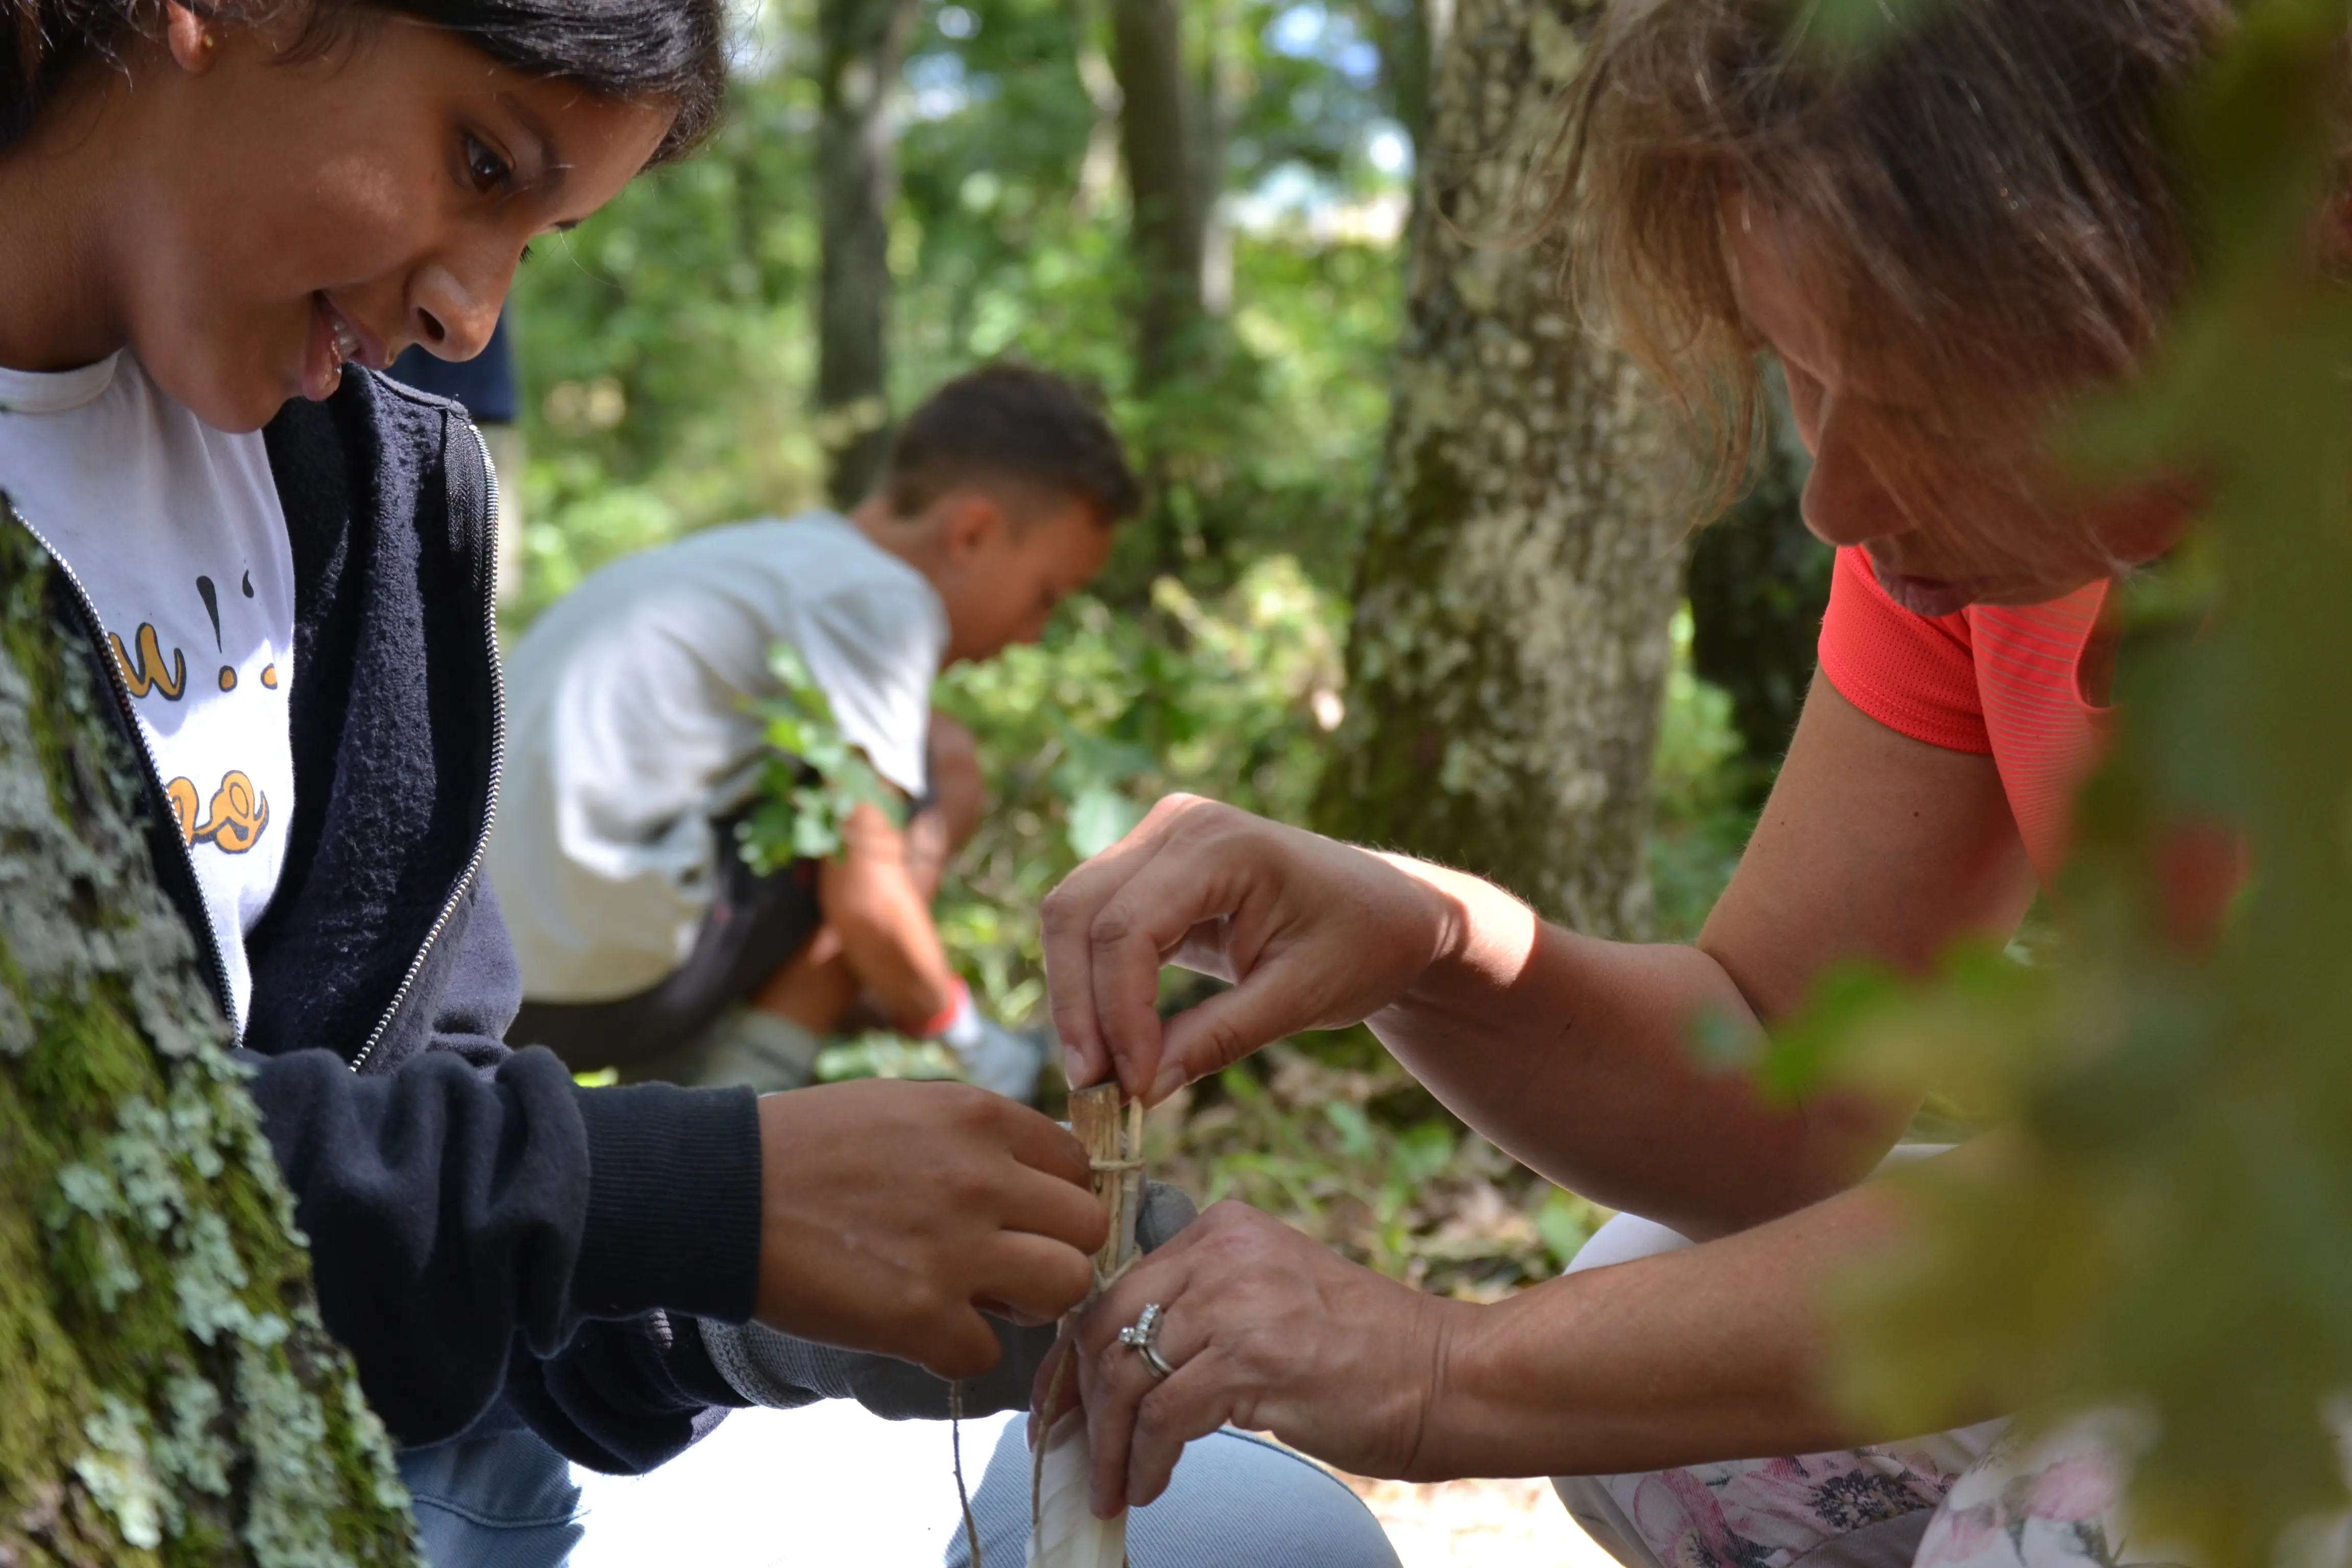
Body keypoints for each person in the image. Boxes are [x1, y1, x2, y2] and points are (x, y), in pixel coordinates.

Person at [961, 3, 2257, 1566]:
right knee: (1667, 1395)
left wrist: (1445, 1369)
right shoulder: (1974, 555)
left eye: (1921, 403)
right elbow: (1776, 1071)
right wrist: (1425, 949)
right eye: (1800, 373)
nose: (1838, 500)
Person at [0, 3, 1113, 1565]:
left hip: (354, 1438)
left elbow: (425, 1150)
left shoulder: (369, 490)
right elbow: (60, 1185)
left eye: (545, 238)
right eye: (479, 162)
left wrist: (755, 1306)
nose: (472, 314)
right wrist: (689, 1189)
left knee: (1258, 1533)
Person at [494, 364, 1137, 1104]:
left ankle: (716, 1070)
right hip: (603, 983)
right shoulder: (882, 599)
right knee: (944, 761)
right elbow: (866, 900)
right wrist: (979, 1045)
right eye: (1044, 597)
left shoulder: (770, 557)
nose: (1035, 635)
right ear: (972, 532)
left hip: (488, 977)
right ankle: (740, 1099)